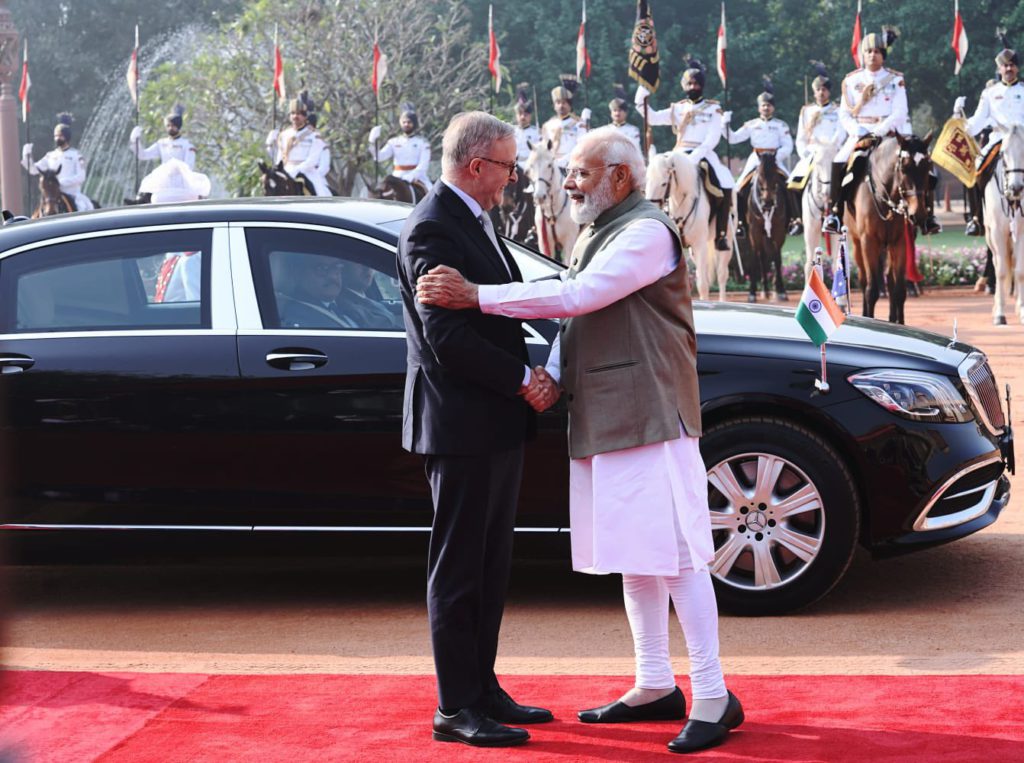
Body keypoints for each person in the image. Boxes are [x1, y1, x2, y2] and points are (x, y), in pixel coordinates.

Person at [415, 126, 743, 756]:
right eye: (568, 172)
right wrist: (549, 380)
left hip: (650, 416)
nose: (566, 184)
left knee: (676, 556)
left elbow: (581, 294)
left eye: (580, 173)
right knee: (634, 553)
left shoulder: (646, 232)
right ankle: (655, 683)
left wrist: (477, 296)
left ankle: (711, 695)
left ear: (619, 179)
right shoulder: (601, 230)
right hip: (607, 417)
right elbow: (578, 319)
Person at [396, 111, 553, 748]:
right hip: (460, 424)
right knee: (459, 567)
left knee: (490, 564)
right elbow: (446, 338)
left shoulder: (473, 220)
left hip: (492, 423)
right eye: (508, 166)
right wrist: (522, 377)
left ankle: (482, 687)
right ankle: (455, 705)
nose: (513, 178)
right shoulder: (432, 227)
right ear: (476, 165)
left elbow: (498, 304)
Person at [824, 29, 940, 234]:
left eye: (877, 51)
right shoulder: (851, 81)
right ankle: (835, 212)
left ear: (883, 55)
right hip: (860, 132)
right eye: (868, 51)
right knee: (839, 161)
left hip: (891, 133)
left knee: (922, 164)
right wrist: (857, 130)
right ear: (862, 54)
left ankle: (928, 215)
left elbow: (900, 111)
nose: (872, 55)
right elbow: (844, 114)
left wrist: (880, 130)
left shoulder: (895, 79)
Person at [638, 59, 734, 251]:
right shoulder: (678, 108)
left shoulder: (712, 108)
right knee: (656, 180)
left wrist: (695, 157)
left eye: (696, 84)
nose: (693, 87)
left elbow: (713, 137)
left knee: (726, 183)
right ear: (684, 86)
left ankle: (721, 233)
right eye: (689, 84)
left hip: (703, 154)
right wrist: (641, 96)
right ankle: (655, 224)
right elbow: (653, 118)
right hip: (678, 154)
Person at [954, 48, 1024, 236]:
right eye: (1005, 65)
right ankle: (976, 218)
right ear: (999, 69)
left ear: (1017, 68)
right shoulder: (990, 93)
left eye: (1011, 65)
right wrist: (959, 118)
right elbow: (976, 123)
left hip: (1022, 143)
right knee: (974, 169)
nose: (1008, 68)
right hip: (998, 141)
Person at [725, 80, 800, 237]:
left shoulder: (781, 125)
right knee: (739, 186)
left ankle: (795, 219)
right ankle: (740, 223)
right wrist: (724, 125)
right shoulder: (751, 125)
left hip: (774, 158)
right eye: (763, 105)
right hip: (756, 158)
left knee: (790, 184)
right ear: (759, 108)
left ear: (773, 107)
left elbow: (788, 146)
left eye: (769, 105)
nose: (766, 108)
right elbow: (732, 138)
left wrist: (774, 157)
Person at [789, 62, 846, 223]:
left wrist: (831, 147)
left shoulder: (837, 110)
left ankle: (843, 213)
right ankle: (798, 219)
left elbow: (841, 133)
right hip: (813, 153)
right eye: (818, 90)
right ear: (814, 92)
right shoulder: (806, 111)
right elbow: (800, 138)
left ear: (828, 91)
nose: (821, 92)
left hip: (833, 152)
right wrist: (805, 153)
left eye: (824, 89)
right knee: (793, 183)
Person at [21, 113, 94, 211]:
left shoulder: (76, 156)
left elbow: (81, 176)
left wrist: (61, 182)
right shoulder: (50, 155)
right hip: (52, 195)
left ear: (67, 137)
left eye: (60, 136)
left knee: (85, 207)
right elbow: (34, 170)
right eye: (56, 136)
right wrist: (27, 156)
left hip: (72, 194)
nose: (57, 139)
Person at [265, 92, 332, 197]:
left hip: (307, 172)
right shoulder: (284, 135)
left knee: (322, 194)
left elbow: (312, 160)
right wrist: (270, 144)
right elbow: (279, 160)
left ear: (305, 116)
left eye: (299, 113)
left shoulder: (314, 136)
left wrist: (296, 170)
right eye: (293, 113)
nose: (295, 116)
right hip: (286, 172)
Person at [369, 103, 433, 195]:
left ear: (414, 123)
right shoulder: (394, 142)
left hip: (417, 178)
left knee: (432, 194)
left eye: (409, 122)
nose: (406, 124)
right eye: (404, 122)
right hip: (397, 176)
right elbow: (379, 157)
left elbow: (423, 166)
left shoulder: (423, 143)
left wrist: (411, 176)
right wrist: (372, 141)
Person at [542, 75, 590, 168]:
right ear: (554, 105)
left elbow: (581, 146)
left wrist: (565, 160)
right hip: (551, 165)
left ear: (569, 105)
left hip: (572, 164)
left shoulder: (578, 124)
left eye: (564, 103)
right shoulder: (548, 125)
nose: (561, 106)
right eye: (558, 103)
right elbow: (545, 146)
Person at [130, 104, 196, 171]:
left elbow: (189, 167)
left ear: (178, 126)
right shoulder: (161, 143)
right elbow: (143, 155)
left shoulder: (187, 145)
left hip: (180, 179)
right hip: (164, 178)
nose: (170, 128)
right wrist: (135, 141)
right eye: (168, 125)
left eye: (173, 126)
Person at [339, 261, 401, 329]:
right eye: (358, 262)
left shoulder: (363, 298)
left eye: (370, 263)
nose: (367, 268)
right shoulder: (345, 304)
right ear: (343, 268)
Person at [512, 83, 541, 167]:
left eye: (525, 114)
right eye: (520, 114)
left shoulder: (536, 132)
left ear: (530, 116)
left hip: (530, 165)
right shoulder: (511, 132)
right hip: (514, 166)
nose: (522, 117)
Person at [608, 84, 642, 151]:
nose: (617, 113)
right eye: (615, 110)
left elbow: (634, 147)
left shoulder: (633, 130)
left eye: (620, 110)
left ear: (626, 113)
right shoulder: (606, 130)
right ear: (611, 113)